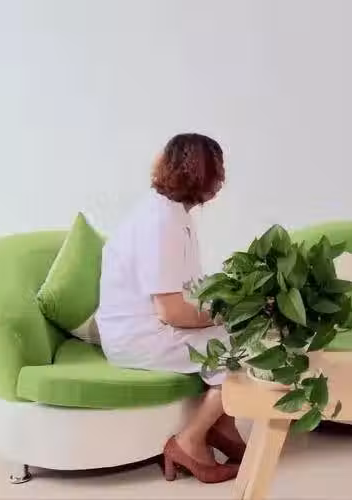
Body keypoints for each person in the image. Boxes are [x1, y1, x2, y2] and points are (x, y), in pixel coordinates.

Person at [96, 133, 244, 483]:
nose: (222, 179)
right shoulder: (161, 222)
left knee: (238, 331)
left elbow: (185, 289)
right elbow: (172, 312)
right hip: (139, 336)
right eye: (219, 170)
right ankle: (189, 442)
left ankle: (223, 427)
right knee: (242, 352)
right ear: (206, 175)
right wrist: (227, 315)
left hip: (145, 326)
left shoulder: (171, 214)